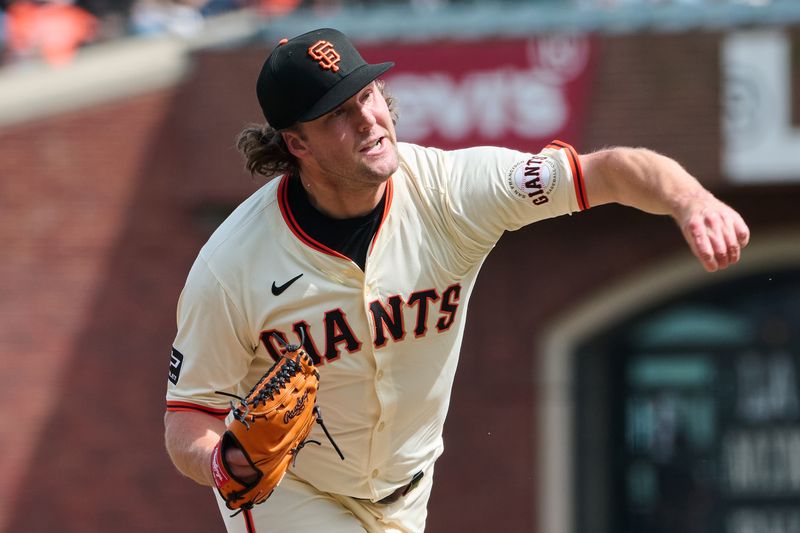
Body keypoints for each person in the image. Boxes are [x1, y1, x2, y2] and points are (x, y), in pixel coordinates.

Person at [164, 27, 750, 533]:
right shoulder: (232, 265)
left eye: (368, 95)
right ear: (297, 144)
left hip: (407, 488)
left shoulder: (451, 191)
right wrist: (223, 466)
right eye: (339, 114)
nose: (370, 119)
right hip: (293, 493)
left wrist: (689, 200)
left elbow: (606, 173)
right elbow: (187, 416)